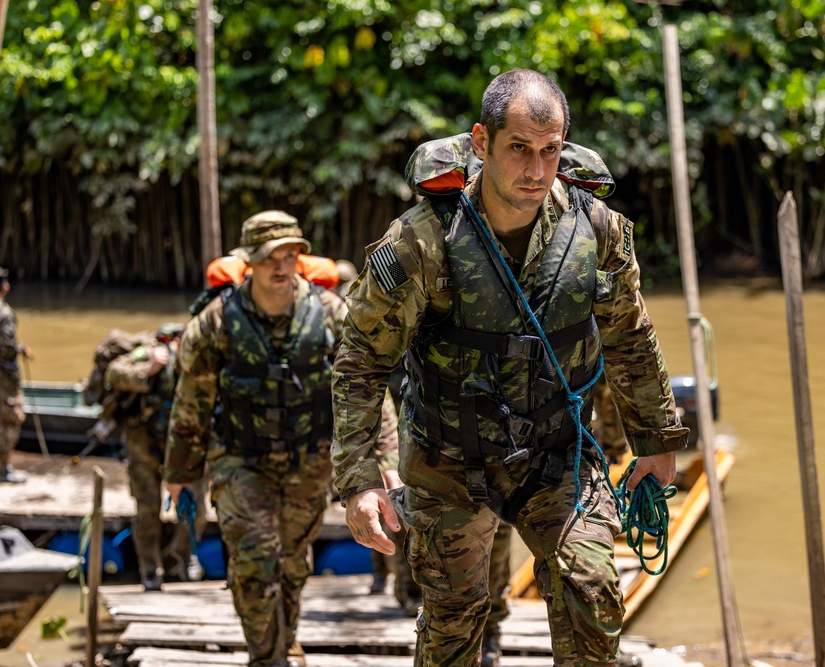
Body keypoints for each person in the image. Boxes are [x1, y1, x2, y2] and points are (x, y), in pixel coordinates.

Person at [331, 69, 689, 667]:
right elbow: (360, 364)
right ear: (481, 143)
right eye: (519, 149)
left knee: (592, 592)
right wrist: (359, 480)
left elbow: (631, 336)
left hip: (557, 452)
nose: (535, 171)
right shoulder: (422, 242)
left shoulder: (595, 229)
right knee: (455, 620)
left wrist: (655, 439)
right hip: (448, 458)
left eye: (550, 152)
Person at [163, 211, 399, 667]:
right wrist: (180, 474)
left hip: (308, 462)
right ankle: (266, 658)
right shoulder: (215, 323)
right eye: (271, 256)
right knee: (254, 566)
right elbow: (190, 402)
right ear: (249, 260)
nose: (282, 265)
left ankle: (284, 640)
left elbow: (366, 386)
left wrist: (386, 455)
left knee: (291, 565)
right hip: (239, 460)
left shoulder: (331, 314)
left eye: (291, 255)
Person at [105, 323, 206, 591]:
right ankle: (150, 570)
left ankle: (183, 555)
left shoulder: (204, 360)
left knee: (195, 506)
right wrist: (147, 370)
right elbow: (113, 372)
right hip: (144, 445)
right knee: (148, 509)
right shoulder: (151, 353)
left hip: (183, 447)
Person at [0, 267, 32, 484]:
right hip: (4, 371)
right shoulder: (3, 312)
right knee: (11, 418)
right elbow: (6, 346)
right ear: (5, 287)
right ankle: (1, 470)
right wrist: (19, 350)